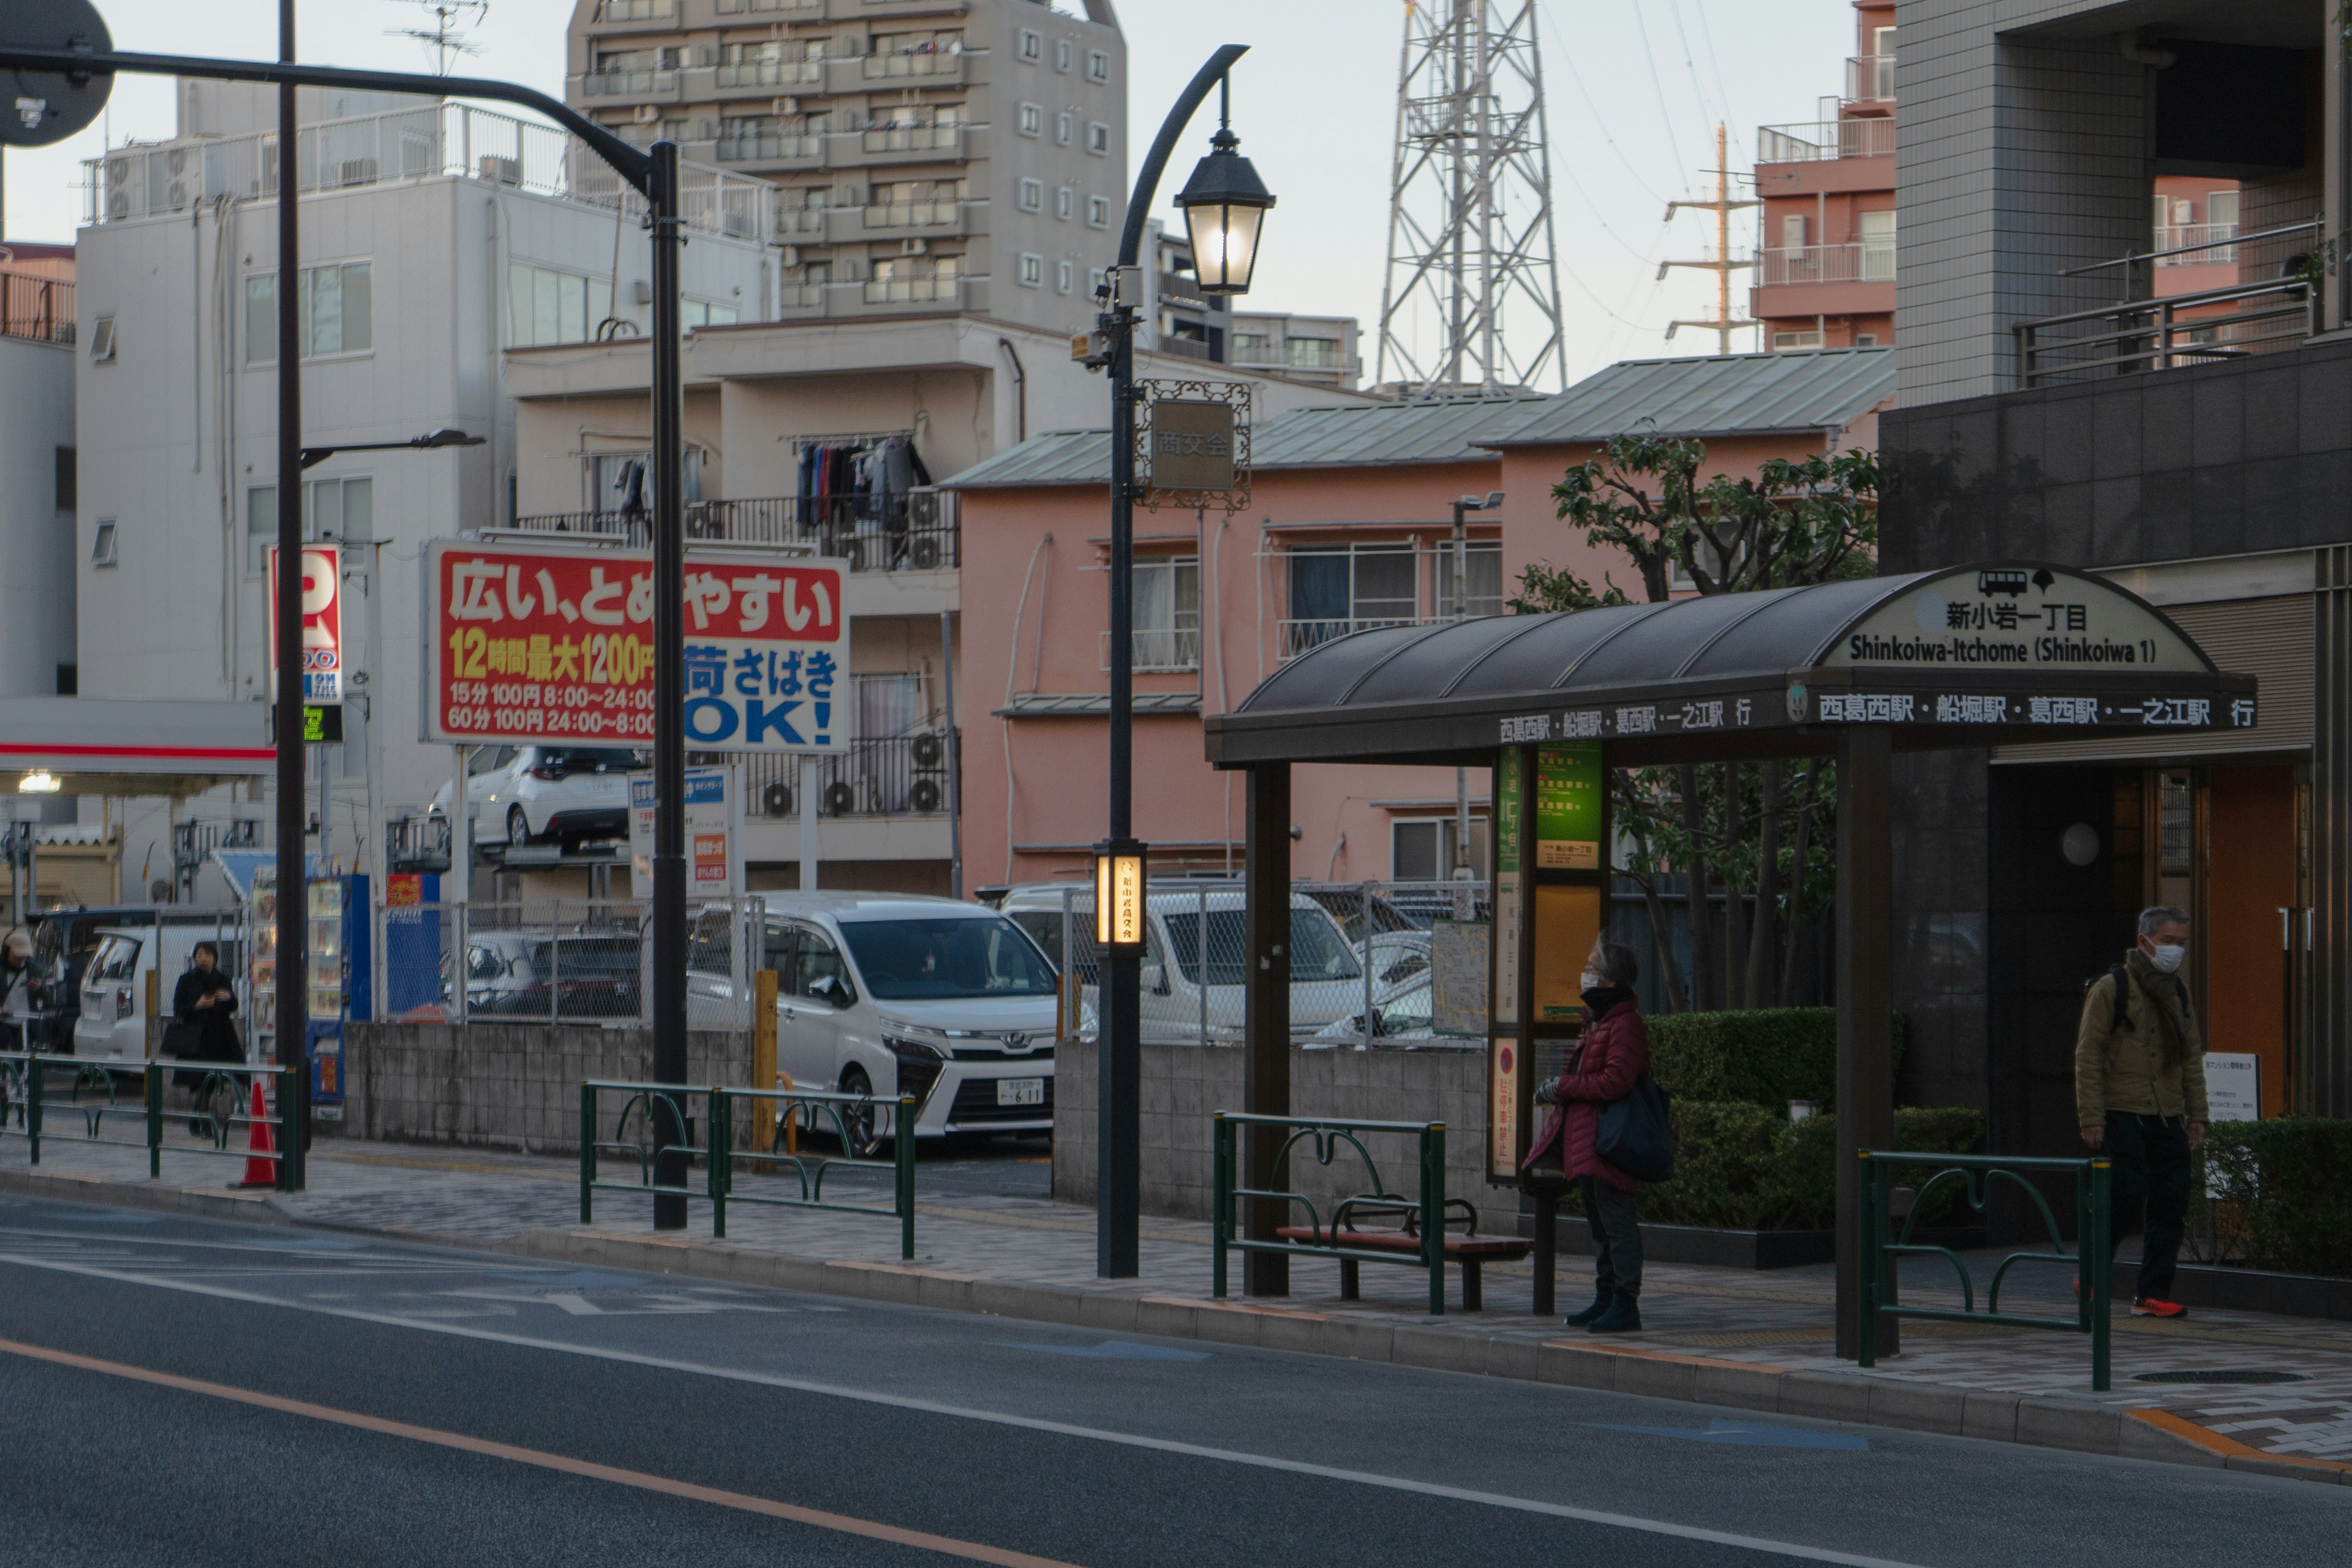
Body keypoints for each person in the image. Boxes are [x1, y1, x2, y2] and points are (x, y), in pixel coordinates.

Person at [2075, 905, 2206, 1319]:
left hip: (2167, 1113)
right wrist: (2091, 1116)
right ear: (2144, 941)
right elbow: (2088, 1055)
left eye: (2182, 943)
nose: (2176, 950)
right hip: (2121, 1109)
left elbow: (2191, 1057)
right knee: (2127, 1195)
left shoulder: (2178, 993)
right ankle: (2092, 1274)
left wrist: (2197, 1115)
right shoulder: (2112, 988)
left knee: (2172, 1201)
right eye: (2168, 941)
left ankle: (2152, 1293)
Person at [1525, 940, 1651, 1335]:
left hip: (1609, 1142)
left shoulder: (1625, 1024)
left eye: (1593, 965)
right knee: (1601, 1226)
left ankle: (1625, 1303)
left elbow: (1616, 1082)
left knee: (1617, 1224)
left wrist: (1565, 1086)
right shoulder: (1600, 1021)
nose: (1586, 970)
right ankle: (1606, 1297)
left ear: (1611, 978)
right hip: (1591, 1141)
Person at [170, 943, 243, 1113]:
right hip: (195, 1038)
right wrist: (197, 1005)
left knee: (212, 1081)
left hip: (219, 1037)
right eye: (199, 955)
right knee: (200, 1081)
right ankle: (203, 1122)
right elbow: (178, 1009)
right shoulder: (187, 980)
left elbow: (233, 1006)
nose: (203, 959)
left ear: (215, 958)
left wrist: (229, 998)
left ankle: (199, 1120)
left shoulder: (223, 979)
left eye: (207, 955)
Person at [2, 929, 45, 1054]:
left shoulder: (34, 969)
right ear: (7, 951)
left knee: (25, 1059)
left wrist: (40, 988)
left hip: (27, 1024)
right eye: (17, 955)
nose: (21, 960)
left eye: (24, 956)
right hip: (4, 1023)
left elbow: (48, 997)